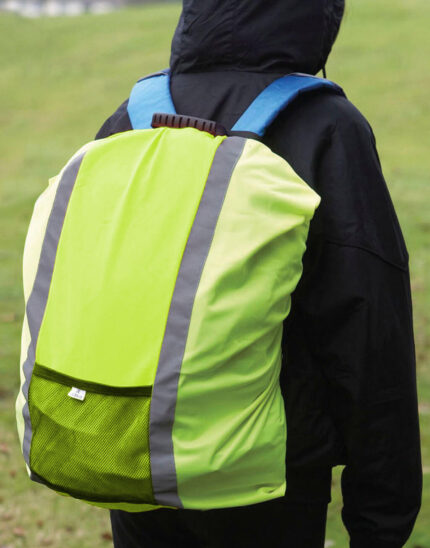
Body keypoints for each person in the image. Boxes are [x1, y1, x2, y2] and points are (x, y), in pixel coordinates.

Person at [95, 1, 422, 546]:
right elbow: (369, 330)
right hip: (264, 479)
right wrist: (381, 516)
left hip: (134, 454)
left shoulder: (129, 118)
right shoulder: (325, 127)